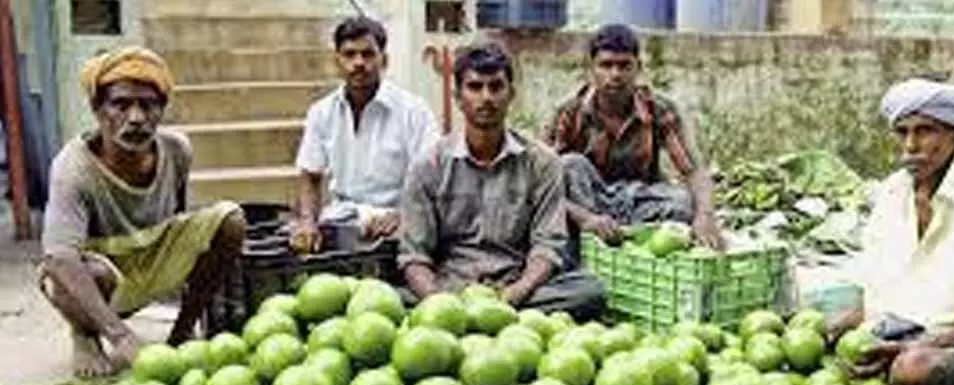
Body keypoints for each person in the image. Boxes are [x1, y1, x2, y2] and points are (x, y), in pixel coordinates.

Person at [39, 47, 246, 377]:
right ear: (97, 109)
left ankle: (182, 332)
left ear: (161, 110)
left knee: (230, 220)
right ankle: (85, 334)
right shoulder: (74, 167)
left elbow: (176, 218)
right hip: (102, 276)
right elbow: (59, 257)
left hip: (150, 255)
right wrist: (120, 336)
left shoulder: (177, 151)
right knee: (70, 269)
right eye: (120, 104)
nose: (135, 118)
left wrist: (183, 266)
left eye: (147, 105)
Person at [827, 77, 954, 385]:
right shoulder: (892, 193)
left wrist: (926, 344)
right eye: (902, 132)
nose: (911, 145)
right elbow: (874, 294)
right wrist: (833, 328)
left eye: (925, 131)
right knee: (823, 334)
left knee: (912, 368)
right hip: (898, 327)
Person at [398, 41, 605, 320]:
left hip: (518, 287)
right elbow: (414, 255)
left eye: (496, 87)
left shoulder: (542, 163)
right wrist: (441, 307)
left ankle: (499, 320)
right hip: (450, 287)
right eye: (475, 87)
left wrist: (515, 294)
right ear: (458, 96)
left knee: (589, 291)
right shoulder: (429, 165)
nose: (486, 97)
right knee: (384, 296)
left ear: (511, 95)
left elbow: (547, 247)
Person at [543, 24, 723, 252]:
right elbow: (537, 183)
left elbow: (693, 171)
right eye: (606, 65)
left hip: (636, 203)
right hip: (586, 206)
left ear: (638, 68)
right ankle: (586, 245)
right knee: (570, 165)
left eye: (624, 66)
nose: (615, 75)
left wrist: (705, 217)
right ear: (591, 70)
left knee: (683, 204)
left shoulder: (659, 110)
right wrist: (586, 218)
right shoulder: (569, 112)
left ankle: (629, 242)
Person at [291, 16, 439, 252]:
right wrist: (307, 221)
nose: (359, 63)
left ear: (385, 60)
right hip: (341, 220)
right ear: (337, 61)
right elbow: (310, 175)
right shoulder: (321, 112)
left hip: (397, 225)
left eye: (368, 54)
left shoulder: (414, 111)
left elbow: (430, 179)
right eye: (349, 54)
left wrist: (403, 215)